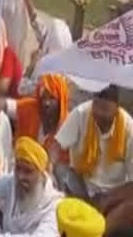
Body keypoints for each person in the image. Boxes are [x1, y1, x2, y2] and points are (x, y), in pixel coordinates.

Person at [51, 84, 133, 233]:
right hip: (81, 186)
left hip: (112, 197)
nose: (100, 116)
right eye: (96, 109)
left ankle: (99, 233)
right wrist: (48, 169)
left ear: (117, 110)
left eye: (105, 112)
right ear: (92, 103)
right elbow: (56, 146)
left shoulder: (129, 128)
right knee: (59, 170)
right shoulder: (82, 113)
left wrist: (107, 199)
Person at [0, 137, 62, 237]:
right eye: (18, 169)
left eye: (28, 171)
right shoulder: (12, 181)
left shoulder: (54, 204)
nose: (20, 176)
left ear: (41, 173)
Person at [0, 73, 69, 163]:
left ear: (60, 101)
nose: (47, 103)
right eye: (44, 98)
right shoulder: (31, 107)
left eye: (52, 98)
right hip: (18, 165)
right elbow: (3, 104)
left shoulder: (68, 127)